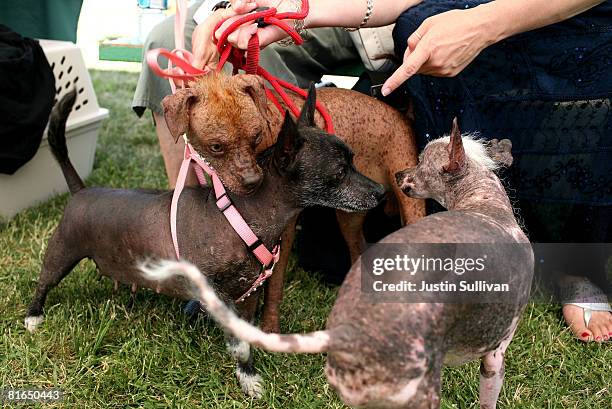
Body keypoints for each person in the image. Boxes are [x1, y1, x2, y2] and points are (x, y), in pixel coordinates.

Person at [213, 0, 612, 342]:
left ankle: (576, 262)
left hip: (575, 24)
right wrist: (299, 11)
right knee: (330, 257)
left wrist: (484, 25)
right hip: (459, 17)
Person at [132, 0, 366, 186]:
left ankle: (270, 196)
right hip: (257, 4)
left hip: (339, 10)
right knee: (161, 38)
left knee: (251, 46)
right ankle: (186, 200)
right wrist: (223, 11)